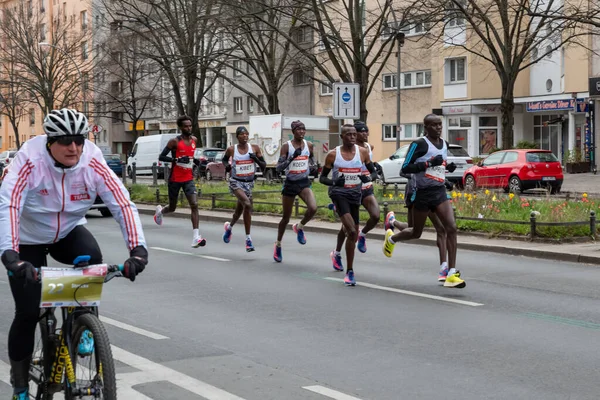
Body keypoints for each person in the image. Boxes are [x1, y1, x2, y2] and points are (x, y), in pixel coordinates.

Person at [0, 108, 148, 400]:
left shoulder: (91, 159)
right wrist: (10, 254)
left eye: (79, 140)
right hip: (28, 237)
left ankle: (84, 321)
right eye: (66, 141)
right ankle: (19, 385)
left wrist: (138, 249)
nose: (74, 147)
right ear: (49, 141)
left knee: (92, 256)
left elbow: (121, 203)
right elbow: (10, 205)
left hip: (67, 232)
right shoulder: (30, 159)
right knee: (28, 312)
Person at [382, 114, 465, 288]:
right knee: (415, 232)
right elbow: (405, 168)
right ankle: (391, 240)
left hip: (439, 192)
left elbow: (439, 166)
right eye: (434, 125)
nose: (438, 128)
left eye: (440, 125)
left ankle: (451, 272)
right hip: (421, 193)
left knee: (451, 228)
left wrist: (446, 169)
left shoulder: (444, 144)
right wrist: (427, 164)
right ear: (426, 127)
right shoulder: (418, 144)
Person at [321, 124, 377, 286]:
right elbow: (322, 178)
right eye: (349, 135)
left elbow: (373, 172)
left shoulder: (363, 152)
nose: (352, 137)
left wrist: (369, 178)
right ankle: (350, 271)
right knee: (352, 231)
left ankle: (339, 255)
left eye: (354, 134)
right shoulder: (333, 155)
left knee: (352, 231)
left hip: (355, 194)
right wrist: (334, 182)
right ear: (342, 136)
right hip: (339, 195)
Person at [384, 171, 455, 282]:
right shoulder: (417, 154)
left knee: (440, 229)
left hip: (434, 192)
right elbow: (404, 171)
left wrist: (445, 180)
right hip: (417, 192)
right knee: (414, 230)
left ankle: (444, 268)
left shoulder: (439, 155)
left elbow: (435, 172)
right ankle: (392, 228)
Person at [330, 121, 381, 270]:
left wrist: (373, 173)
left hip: (365, 187)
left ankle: (362, 235)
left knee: (376, 216)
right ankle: (337, 253)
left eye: (367, 131)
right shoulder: (339, 152)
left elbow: (371, 169)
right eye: (362, 132)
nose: (365, 134)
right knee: (347, 229)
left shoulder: (368, 148)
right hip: (346, 191)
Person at [153, 115, 206, 248]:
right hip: (175, 179)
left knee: (194, 204)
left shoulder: (194, 140)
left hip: (188, 178)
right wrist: (176, 160)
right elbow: (161, 157)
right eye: (186, 126)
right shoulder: (174, 142)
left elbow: (190, 157)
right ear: (181, 127)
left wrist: (196, 161)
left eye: (190, 125)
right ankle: (160, 212)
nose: (189, 128)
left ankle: (196, 237)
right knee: (172, 207)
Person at [273, 120, 317, 262]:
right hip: (290, 183)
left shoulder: (309, 145)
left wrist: (314, 166)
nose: (302, 132)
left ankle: (299, 227)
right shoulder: (287, 147)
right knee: (286, 218)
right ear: (293, 131)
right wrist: (292, 157)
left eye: (303, 129)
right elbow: (278, 168)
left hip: (303, 182)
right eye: (299, 129)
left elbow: (312, 161)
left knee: (313, 208)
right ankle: (278, 244)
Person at [221, 126, 266, 252]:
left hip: (249, 183)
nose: (244, 136)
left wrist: (255, 159)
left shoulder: (255, 148)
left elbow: (264, 167)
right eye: (242, 134)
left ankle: (229, 227)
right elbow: (224, 160)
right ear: (237, 136)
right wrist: (228, 166)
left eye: (246, 134)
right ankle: (248, 240)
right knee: (247, 204)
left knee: (239, 211)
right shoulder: (232, 149)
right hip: (236, 182)